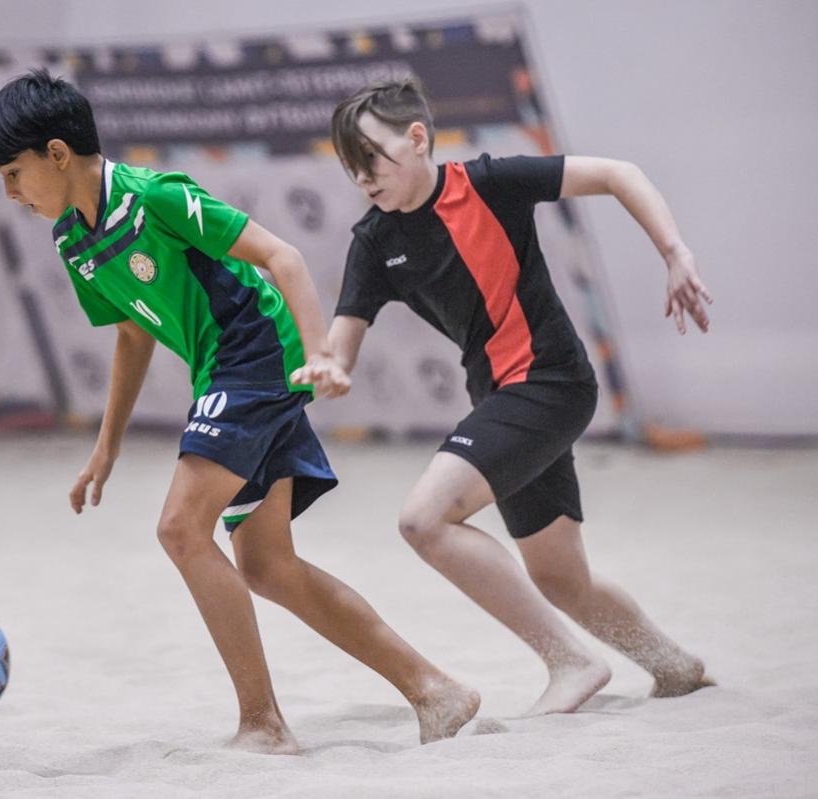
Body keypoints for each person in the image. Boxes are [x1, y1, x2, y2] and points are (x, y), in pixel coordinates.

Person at [0, 69, 480, 752]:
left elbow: (283, 256)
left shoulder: (155, 197)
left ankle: (263, 725)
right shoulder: (71, 240)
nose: (9, 192)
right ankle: (435, 692)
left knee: (181, 529)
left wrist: (320, 354)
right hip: (226, 371)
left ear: (57, 154)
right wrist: (106, 446)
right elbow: (132, 334)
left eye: (12, 173)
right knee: (267, 567)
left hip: (255, 353)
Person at [303, 77, 713, 715]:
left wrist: (675, 252)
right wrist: (327, 369)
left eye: (371, 158)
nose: (361, 177)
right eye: (349, 165)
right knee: (560, 578)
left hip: (550, 380)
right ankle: (673, 666)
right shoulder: (375, 242)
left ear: (417, 139)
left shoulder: (490, 183)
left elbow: (619, 173)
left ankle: (570, 662)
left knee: (424, 520)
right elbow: (342, 345)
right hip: (498, 397)